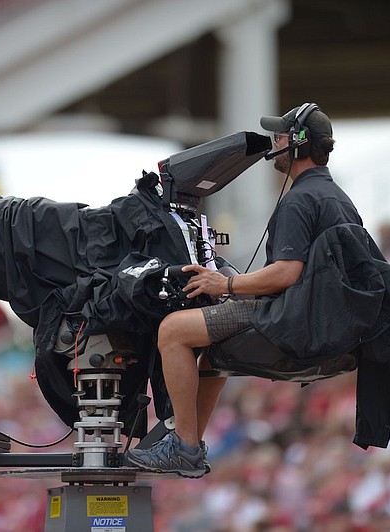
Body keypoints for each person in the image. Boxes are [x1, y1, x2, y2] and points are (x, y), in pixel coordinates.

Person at [125, 103, 364, 477]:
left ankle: (184, 447)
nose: (275, 142)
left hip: (295, 318)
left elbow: (286, 273)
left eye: (280, 136)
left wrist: (227, 283)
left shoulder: (299, 199)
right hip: (322, 318)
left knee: (172, 331)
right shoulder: (337, 198)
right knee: (210, 354)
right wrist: (238, 289)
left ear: (297, 144)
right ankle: (188, 443)